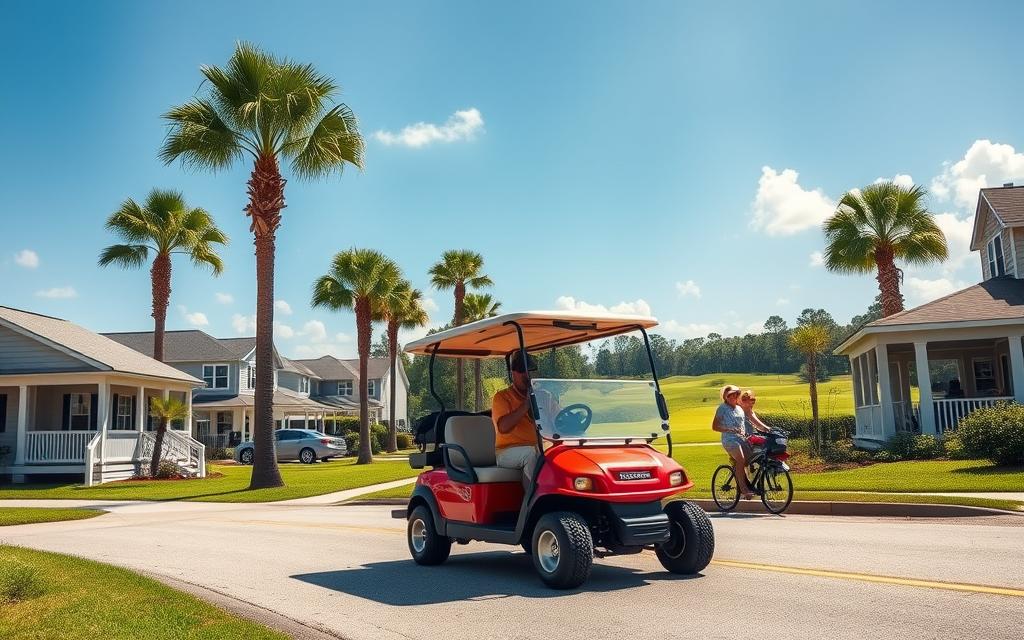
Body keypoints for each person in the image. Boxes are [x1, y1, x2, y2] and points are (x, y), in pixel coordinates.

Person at [492, 351, 546, 488]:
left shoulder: (544, 396)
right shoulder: (502, 397)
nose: (526, 375)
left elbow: (558, 418)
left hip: (539, 447)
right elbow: (503, 428)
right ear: (513, 373)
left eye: (530, 370)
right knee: (531, 454)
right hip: (507, 452)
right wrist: (527, 404)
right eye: (522, 371)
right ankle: (533, 501)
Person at [712, 384, 754, 499]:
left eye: (735, 394)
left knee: (752, 458)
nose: (733, 396)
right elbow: (715, 426)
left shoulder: (739, 408)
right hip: (729, 440)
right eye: (730, 395)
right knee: (740, 459)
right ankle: (743, 489)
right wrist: (729, 429)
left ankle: (745, 482)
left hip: (741, 439)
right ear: (725, 396)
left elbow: (745, 423)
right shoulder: (722, 408)